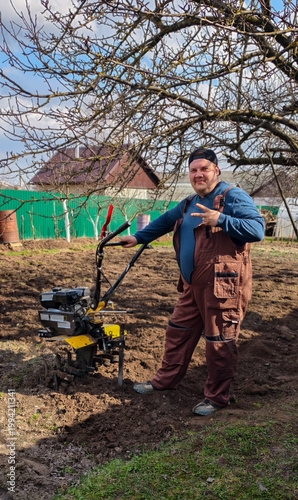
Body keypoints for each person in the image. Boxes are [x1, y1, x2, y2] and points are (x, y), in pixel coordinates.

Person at [119, 147, 265, 416]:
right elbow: (165, 221)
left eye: (204, 169)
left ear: (216, 171)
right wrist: (138, 238)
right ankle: (165, 381)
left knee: (219, 341)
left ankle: (216, 398)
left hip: (222, 287)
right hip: (191, 285)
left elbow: (257, 229)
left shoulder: (232, 196)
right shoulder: (188, 202)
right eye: (194, 170)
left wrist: (221, 219)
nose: (199, 174)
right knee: (177, 332)